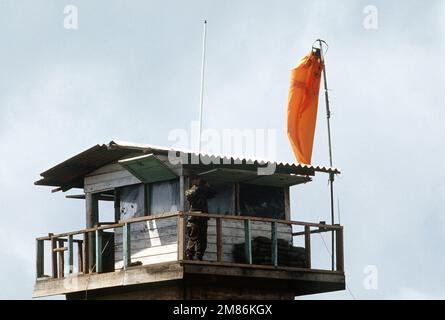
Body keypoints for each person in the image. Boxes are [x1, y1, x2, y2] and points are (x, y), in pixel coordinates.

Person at [185, 175, 216, 260]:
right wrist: (197, 187)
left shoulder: (203, 192)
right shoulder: (190, 190)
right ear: (193, 181)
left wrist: (207, 186)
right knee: (193, 237)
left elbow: (213, 193)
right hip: (194, 218)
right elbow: (189, 195)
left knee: (202, 239)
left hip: (203, 218)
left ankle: (199, 255)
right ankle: (189, 255)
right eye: (197, 180)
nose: (198, 181)